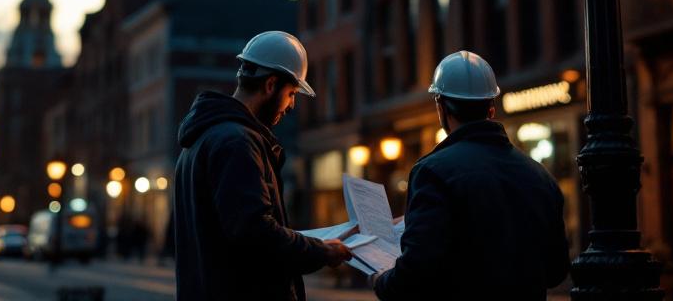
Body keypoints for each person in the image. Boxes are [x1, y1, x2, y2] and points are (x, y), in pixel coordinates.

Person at [373, 51, 570, 300]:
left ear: (441, 106)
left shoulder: (432, 172)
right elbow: (555, 271)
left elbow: (416, 272)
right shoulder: (540, 176)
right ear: (491, 107)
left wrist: (381, 280)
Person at [173, 30, 352, 301]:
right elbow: (254, 233)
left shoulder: (200, 140)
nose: (291, 105)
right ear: (270, 85)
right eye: (291, 93)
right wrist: (321, 252)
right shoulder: (236, 143)